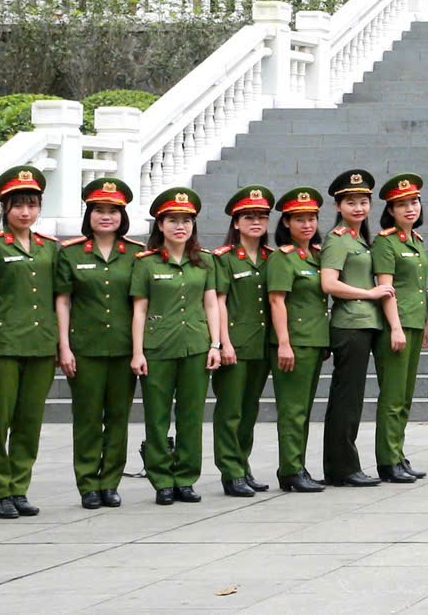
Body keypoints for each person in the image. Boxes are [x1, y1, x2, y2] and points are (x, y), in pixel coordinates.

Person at [0, 164, 56, 519]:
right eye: (18, 205)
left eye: (32, 205)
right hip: (3, 346)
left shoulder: (49, 248)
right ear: (5, 208)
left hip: (42, 345)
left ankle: (19, 487)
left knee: (29, 421)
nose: (25, 212)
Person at [132, 186, 222, 504]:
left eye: (186, 220)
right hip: (158, 348)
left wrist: (215, 344)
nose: (180, 226)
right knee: (157, 417)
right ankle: (161, 479)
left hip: (196, 346)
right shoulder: (146, 263)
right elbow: (140, 309)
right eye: (172, 220)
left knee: (191, 415)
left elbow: (211, 304)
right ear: (160, 225)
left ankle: (185, 477)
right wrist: (138, 352)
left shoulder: (205, 261)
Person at [58, 176, 139, 509]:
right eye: (99, 210)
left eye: (113, 211)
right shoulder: (71, 253)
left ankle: (110, 482)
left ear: (123, 216)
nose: (106, 217)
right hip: (85, 348)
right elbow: (63, 301)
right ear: (88, 214)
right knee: (87, 417)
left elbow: (140, 305)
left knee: (119, 417)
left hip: (123, 348)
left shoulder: (135, 254)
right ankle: (88, 483)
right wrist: (64, 346)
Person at [318, 168, 392, 488]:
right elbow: (329, 283)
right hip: (349, 325)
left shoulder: (360, 239)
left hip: (365, 324)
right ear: (338, 206)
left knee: (353, 398)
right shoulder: (337, 240)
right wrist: (369, 293)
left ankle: (343, 465)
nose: (358, 208)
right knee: (346, 399)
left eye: (363, 201)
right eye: (350, 202)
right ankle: (342, 468)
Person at [208, 185, 276, 499]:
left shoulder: (271, 257)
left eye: (261, 216)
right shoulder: (224, 258)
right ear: (236, 223)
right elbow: (219, 303)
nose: (256, 222)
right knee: (230, 411)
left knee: (249, 409)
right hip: (235, 344)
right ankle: (231, 472)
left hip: (261, 344)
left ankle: (243, 465)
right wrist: (224, 343)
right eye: (248, 216)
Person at [264, 187, 332, 492]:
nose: (307, 225)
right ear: (286, 223)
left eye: (311, 219)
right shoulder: (283, 258)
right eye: (299, 219)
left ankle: (297, 466)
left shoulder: (317, 256)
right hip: (294, 342)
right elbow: (276, 301)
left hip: (314, 341)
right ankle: (291, 469)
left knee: (303, 408)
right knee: (293, 410)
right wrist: (284, 343)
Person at [370, 173, 428, 483]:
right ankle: (387, 460)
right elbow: (386, 288)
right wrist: (395, 327)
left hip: (415, 323)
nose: (410, 209)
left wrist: (427, 323)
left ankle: (398, 454)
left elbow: (420, 287)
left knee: (405, 396)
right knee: (393, 396)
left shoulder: (417, 242)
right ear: (391, 210)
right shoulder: (385, 242)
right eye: (402, 204)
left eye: (414, 202)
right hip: (397, 325)